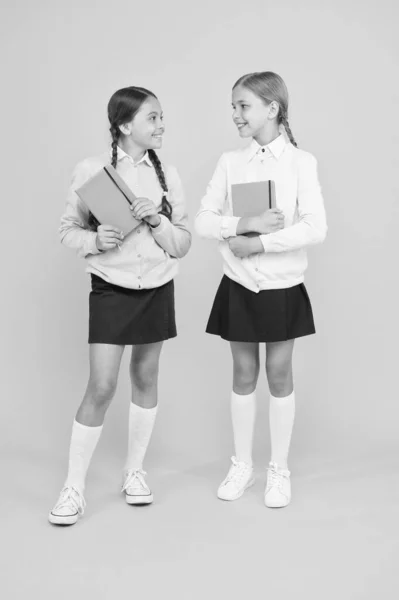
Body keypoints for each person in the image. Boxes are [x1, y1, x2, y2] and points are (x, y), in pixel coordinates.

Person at [49, 86, 191, 525]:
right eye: (153, 118)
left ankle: (134, 472)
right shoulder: (92, 171)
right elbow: (68, 229)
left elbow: (182, 243)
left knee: (146, 378)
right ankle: (73, 487)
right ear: (126, 126)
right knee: (103, 386)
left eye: (162, 116)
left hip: (157, 289)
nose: (162, 125)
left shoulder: (168, 172)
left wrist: (158, 220)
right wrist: (96, 240)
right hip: (111, 289)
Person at [195, 71, 327, 508]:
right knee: (243, 375)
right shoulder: (230, 162)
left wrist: (260, 243)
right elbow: (204, 220)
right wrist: (243, 224)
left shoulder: (300, 162)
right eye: (233, 106)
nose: (235, 114)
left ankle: (279, 468)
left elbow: (315, 227)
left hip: (282, 285)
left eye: (243, 105)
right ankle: (243, 465)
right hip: (239, 284)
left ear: (272, 108)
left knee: (280, 375)